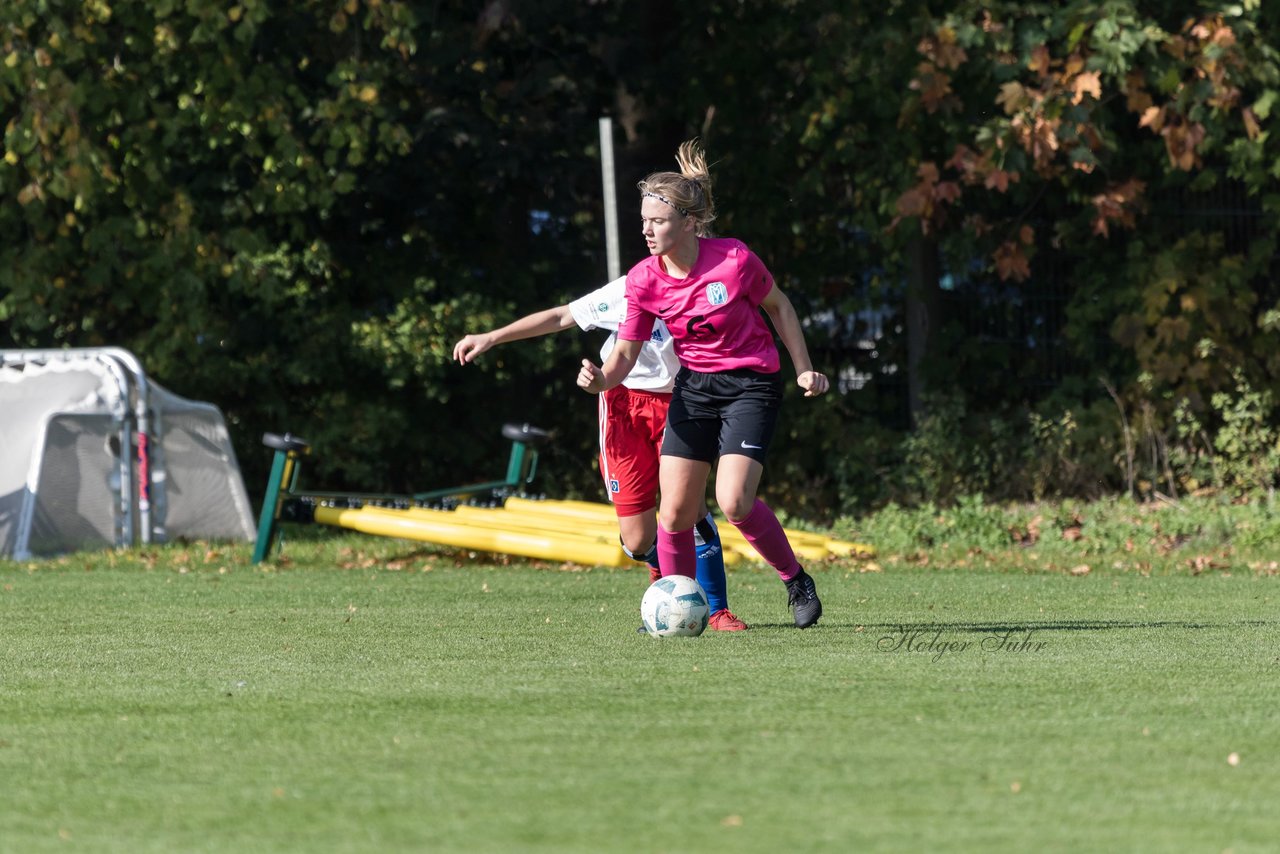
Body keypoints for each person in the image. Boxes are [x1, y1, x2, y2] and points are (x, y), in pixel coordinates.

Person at [576, 139, 830, 628]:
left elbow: (779, 306)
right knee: (673, 514)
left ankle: (795, 578)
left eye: (658, 221)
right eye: (644, 220)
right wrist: (600, 382)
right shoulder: (644, 279)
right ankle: (679, 610)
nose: (647, 230)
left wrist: (802, 367)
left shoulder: (734, 260)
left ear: (689, 224)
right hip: (695, 389)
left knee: (734, 501)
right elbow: (625, 353)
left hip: (751, 384)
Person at [452, 278, 749, 632]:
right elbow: (562, 316)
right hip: (622, 403)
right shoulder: (631, 288)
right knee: (638, 540)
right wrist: (491, 337)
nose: (651, 234)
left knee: (686, 509)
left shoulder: (709, 287)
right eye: (647, 224)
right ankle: (664, 586)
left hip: (682, 402)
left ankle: (717, 610)